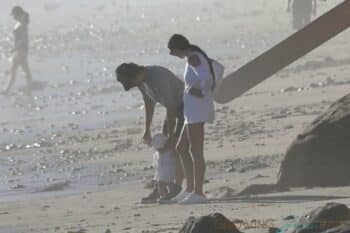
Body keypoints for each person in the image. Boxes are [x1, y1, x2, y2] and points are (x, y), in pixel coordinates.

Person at [115, 63, 184, 202]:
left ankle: (177, 187)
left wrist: (171, 136)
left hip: (185, 106)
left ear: (137, 74)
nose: (135, 85)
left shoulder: (158, 77)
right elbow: (149, 103)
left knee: (177, 147)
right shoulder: (141, 82)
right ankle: (162, 188)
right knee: (163, 149)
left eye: (133, 82)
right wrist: (146, 129)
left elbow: (172, 106)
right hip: (171, 108)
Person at [167, 34, 215, 204]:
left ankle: (198, 192)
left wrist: (201, 92)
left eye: (172, 51)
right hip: (191, 113)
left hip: (197, 112)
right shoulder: (192, 57)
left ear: (179, 47)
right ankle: (189, 189)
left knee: (196, 152)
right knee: (181, 148)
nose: (172, 54)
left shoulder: (194, 57)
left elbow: (208, 79)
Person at [3, 6, 32, 95]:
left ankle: (28, 89)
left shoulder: (22, 24)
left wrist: (15, 48)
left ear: (18, 14)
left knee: (22, 70)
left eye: (13, 15)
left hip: (21, 50)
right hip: (19, 50)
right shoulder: (18, 23)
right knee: (16, 70)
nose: (13, 17)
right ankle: (7, 90)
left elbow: (23, 39)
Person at [149, 133, 176, 203]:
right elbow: (156, 164)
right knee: (161, 184)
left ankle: (169, 196)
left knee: (170, 184)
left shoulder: (170, 152)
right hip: (162, 173)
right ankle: (163, 196)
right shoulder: (157, 154)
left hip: (168, 171)